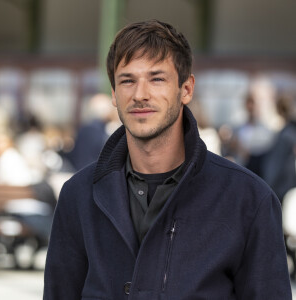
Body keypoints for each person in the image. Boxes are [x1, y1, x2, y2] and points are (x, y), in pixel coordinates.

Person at [44, 20, 292, 299]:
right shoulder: (79, 195)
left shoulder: (248, 200)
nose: (140, 95)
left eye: (157, 78)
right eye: (127, 80)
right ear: (114, 93)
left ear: (186, 89)